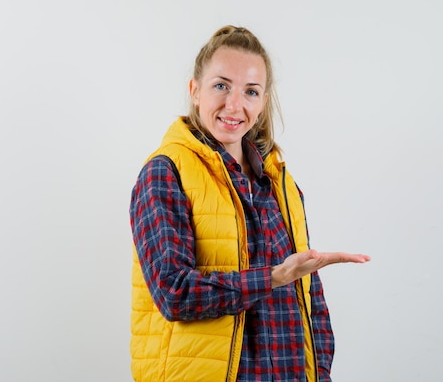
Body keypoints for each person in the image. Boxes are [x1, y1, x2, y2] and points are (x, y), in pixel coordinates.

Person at [129, 25, 370, 382]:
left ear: (263, 100)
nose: (235, 105)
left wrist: (320, 373)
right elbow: (173, 292)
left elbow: (309, 296)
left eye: (251, 91)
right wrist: (273, 277)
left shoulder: (279, 182)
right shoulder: (165, 172)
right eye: (221, 86)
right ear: (195, 90)